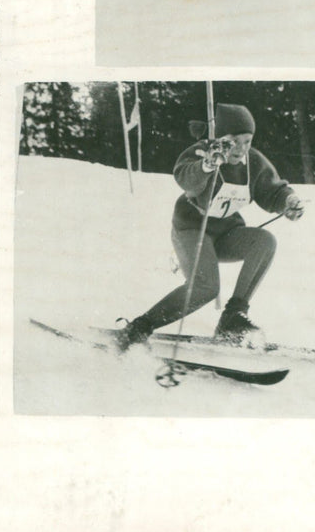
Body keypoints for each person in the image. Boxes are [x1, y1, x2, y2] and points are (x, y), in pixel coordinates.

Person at [115, 103, 304, 351]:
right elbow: (186, 180)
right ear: (220, 137)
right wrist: (206, 165)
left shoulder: (253, 162)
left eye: (247, 141)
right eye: (234, 141)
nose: (241, 148)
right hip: (191, 230)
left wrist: (287, 201)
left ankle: (233, 317)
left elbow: (273, 190)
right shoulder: (202, 152)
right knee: (206, 287)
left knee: (265, 241)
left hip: (226, 232)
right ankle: (140, 327)